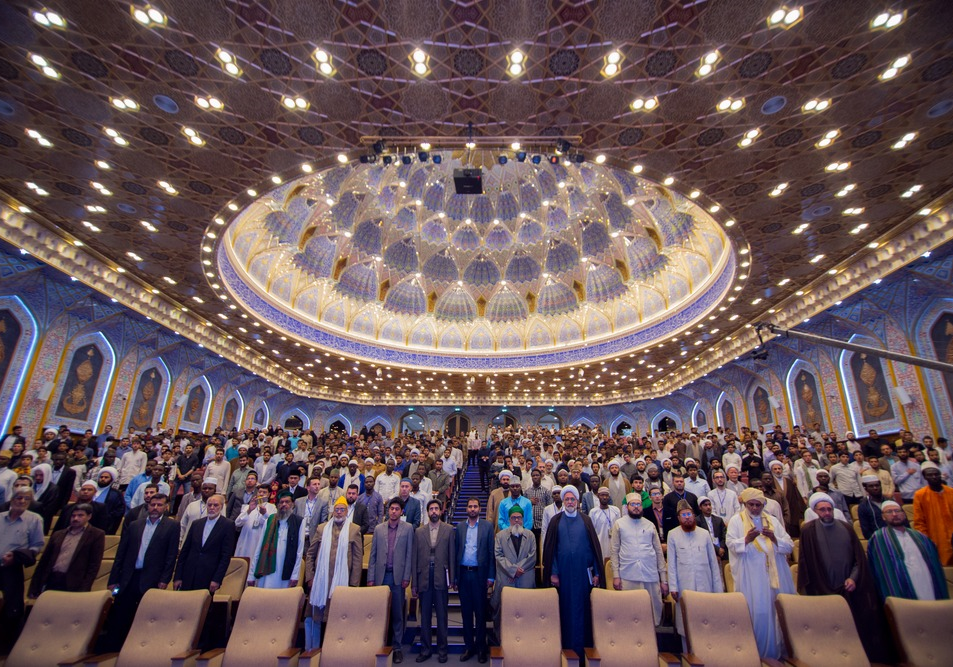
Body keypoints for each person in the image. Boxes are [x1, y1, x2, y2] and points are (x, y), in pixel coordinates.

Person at [796, 492, 891, 662]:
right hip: (822, 589)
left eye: (829, 509)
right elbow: (806, 562)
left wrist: (853, 578)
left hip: (850, 588)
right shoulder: (808, 531)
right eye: (822, 510)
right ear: (815, 511)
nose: (826, 513)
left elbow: (858, 559)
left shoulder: (846, 527)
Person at [726, 487, 795, 659]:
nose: (755, 508)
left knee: (777, 611)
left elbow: (789, 545)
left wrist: (774, 538)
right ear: (746, 504)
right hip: (751, 575)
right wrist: (747, 540)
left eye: (758, 505)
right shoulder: (736, 521)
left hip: (775, 573)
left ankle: (780, 654)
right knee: (759, 612)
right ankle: (757, 654)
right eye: (752, 504)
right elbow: (731, 544)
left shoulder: (772, 521)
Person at [106, 494, 179, 650]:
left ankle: (141, 649)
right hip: (129, 578)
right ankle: (113, 651)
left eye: (160, 505)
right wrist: (113, 579)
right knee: (120, 617)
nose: (155, 508)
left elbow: (171, 555)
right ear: (148, 505)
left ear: (166, 507)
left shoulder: (172, 526)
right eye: (153, 504)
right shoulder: (135, 525)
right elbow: (121, 554)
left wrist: (165, 579)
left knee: (147, 617)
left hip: (152, 579)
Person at [541, 485, 605, 660]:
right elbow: (551, 551)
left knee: (584, 611)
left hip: (584, 577)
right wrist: (553, 573)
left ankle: (585, 652)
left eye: (572, 499)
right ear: (563, 501)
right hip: (564, 576)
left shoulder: (586, 520)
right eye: (567, 499)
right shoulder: (555, 521)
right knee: (565, 611)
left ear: (577, 502)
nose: (570, 502)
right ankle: (566, 652)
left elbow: (594, 549)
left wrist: (597, 572)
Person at [304, 495, 363, 651]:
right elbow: (310, 554)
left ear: (347, 511)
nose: (338, 513)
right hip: (320, 583)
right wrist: (310, 577)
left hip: (341, 583)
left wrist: (353, 584)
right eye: (336, 509)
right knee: (314, 616)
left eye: (342, 510)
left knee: (338, 618)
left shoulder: (354, 529)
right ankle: (313, 651)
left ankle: (336, 651)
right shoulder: (322, 528)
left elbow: (357, 560)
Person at [667, 499, 722, 648]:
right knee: (686, 626)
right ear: (679, 518)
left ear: (693, 515)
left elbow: (713, 564)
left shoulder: (704, 534)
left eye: (689, 514)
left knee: (706, 623)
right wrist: (673, 586)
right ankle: (687, 657)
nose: (687, 517)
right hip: (684, 587)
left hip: (705, 585)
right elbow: (671, 563)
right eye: (683, 515)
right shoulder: (673, 535)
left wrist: (718, 589)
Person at [867, 500, 949, 600]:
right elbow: (881, 570)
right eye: (889, 512)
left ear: (904, 514)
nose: (894, 514)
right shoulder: (879, 539)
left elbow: (935, 563)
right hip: (901, 589)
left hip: (927, 583)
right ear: (883, 517)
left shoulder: (920, 537)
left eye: (897, 511)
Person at [368, 497, 415, 664]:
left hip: (397, 577)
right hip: (381, 576)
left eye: (397, 509)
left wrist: (406, 577)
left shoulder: (408, 528)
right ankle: (379, 644)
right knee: (379, 613)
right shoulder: (379, 529)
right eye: (391, 509)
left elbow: (410, 554)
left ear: (401, 511)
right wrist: (371, 577)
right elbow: (373, 555)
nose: (393, 511)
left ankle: (397, 647)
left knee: (397, 614)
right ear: (388, 511)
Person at [610, 492, 667, 625]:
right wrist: (616, 575)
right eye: (633, 504)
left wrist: (663, 579)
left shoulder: (649, 524)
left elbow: (659, 552)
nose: (636, 507)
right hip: (628, 575)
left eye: (639, 504)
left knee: (652, 614)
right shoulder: (619, 524)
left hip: (650, 575)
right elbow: (614, 551)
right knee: (629, 614)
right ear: (627, 506)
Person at [0, 487, 44, 651]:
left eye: (26, 499)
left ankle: (6, 648)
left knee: (13, 609)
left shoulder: (34, 520)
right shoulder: (0, 517)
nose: (22, 501)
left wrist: (17, 557)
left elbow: (37, 546)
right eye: (19, 497)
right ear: (12, 499)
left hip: (12, 568)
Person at [29, 502, 105, 597]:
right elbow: (44, 561)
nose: (76, 518)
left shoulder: (96, 535)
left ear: (89, 517)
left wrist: (84, 589)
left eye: (80, 515)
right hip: (52, 580)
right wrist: (35, 587)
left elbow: (94, 565)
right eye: (73, 516)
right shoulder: (58, 534)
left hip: (74, 583)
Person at [412, 499, 455, 663]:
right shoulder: (419, 532)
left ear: (441, 511)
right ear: (428, 512)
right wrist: (414, 582)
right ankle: (426, 649)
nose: (434, 511)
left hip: (441, 577)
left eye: (437, 508)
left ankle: (442, 650)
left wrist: (452, 578)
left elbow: (451, 555)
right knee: (425, 617)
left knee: (442, 616)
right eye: (431, 509)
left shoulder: (449, 530)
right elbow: (414, 558)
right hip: (423, 576)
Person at [454, 498, 494, 663]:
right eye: (470, 506)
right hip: (464, 574)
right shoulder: (460, 527)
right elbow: (456, 551)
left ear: (479, 509)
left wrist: (491, 576)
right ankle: (469, 647)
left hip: (480, 575)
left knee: (480, 613)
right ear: (466, 509)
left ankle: (481, 648)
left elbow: (491, 552)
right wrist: (455, 577)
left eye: (475, 506)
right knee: (466, 613)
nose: (472, 509)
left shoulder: (487, 526)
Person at [174, 493, 236, 593]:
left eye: (215, 505)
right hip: (189, 573)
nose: (212, 508)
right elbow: (185, 551)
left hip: (209, 575)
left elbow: (225, 556)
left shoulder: (227, 525)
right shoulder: (197, 524)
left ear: (221, 507)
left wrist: (217, 579)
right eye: (209, 505)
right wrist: (178, 576)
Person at [492, 504, 536, 639]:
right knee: (504, 613)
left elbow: (532, 556)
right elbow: (498, 556)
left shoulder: (530, 535)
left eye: (519, 518)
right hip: (506, 580)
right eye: (513, 518)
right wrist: (512, 571)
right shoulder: (500, 536)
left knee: (525, 612)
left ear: (523, 519)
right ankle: (501, 641)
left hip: (524, 580)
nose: (516, 521)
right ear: (509, 519)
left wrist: (517, 570)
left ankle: (525, 641)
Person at [248, 491, 304, 589]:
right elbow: (259, 547)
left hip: (286, 569)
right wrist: (251, 575)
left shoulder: (299, 522)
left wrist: (295, 575)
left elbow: (299, 551)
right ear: (277, 505)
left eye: (287, 502)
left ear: (293, 504)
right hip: (267, 569)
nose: (284, 505)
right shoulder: (269, 520)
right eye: (281, 502)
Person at [913, 462, 953, 565]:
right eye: (930, 475)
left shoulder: (951, 492)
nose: (934, 477)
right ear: (925, 477)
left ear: (940, 475)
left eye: (936, 474)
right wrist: (927, 541)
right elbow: (919, 522)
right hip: (936, 538)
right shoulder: (920, 495)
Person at [179, 480, 218, 546]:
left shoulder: (218, 507)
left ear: (215, 491)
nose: (207, 490)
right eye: (204, 488)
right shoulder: (192, 505)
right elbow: (183, 525)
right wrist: (180, 541)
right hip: (188, 542)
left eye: (210, 488)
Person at [661, 474, 699, 538]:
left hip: (692, 528)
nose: (679, 483)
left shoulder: (692, 497)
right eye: (677, 481)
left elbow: (697, 514)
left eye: (681, 481)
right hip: (675, 529)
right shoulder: (667, 498)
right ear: (673, 483)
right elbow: (666, 518)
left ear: (684, 483)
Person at [295, 476, 328, 547]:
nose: (317, 486)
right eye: (314, 484)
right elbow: (294, 519)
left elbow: (323, 522)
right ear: (308, 487)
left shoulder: (323, 503)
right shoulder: (298, 501)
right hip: (299, 535)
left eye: (319, 484)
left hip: (313, 538)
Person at [589, 486, 621, 557]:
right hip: (600, 544)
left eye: (606, 495)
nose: (604, 497)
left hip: (614, 543)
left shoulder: (615, 510)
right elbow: (592, 532)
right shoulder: (593, 512)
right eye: (602, 495)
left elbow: (619, 528)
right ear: (598, 496)